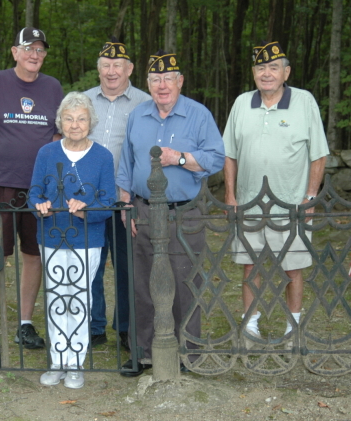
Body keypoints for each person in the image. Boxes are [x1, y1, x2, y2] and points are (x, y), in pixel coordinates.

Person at [116, 51, 225, 376]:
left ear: (179, 81)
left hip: (184, 212)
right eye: (155, 80)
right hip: (144, 210)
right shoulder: (138, 115)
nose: (162, 85)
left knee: (184, 282)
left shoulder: (198, 114)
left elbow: (216, 159)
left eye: (168, 79)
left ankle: (187, 352)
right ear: (147, 84)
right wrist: (125, 206)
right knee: (142, 283)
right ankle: (144, 352)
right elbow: (125, 165)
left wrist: (179, 158)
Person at [222, 41, 328, 349]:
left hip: (291, 205)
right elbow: (230, 154)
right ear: (253, 73)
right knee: (249, 265)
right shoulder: (242, 103)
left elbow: (318, 154)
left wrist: (310, 197)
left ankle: (292, 326)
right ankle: (251, 325)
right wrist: (231, 195)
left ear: (286, 72)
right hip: (250, 204)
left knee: (292, 265)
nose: (266, 74)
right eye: (260, 68)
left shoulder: (304, 101)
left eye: (273, 67)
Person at [0, 27, 63, 349]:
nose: (34, 55)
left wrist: (54, 181)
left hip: (39, 189)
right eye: (28, 48)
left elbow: (56, 137)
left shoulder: (53, 88)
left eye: (40, 50)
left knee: (33, 255)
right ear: (15, 52)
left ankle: (24, 324)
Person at [29, 92, 116, 388]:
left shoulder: (103, 156)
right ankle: (57, 360)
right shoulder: (47, 153)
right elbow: (34, 193)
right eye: (69, 119)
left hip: (86, 239)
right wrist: (39, 206)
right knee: (55, 297)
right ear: (60, 122)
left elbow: (108, 201)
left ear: (90, 122)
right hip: (51, 236)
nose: (75, 125)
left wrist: (85, 211)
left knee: (79, 297)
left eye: (81, 119)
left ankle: (76, 361)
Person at [84, 37, 151, 349]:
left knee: (127, 266)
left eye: (117, 66)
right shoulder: (81, 101)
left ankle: (126, 326)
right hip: (88, 197)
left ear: (130, 69)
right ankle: (93, 326)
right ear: (99, 70)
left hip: (127, 197)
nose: (112, 72)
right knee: (90, 264)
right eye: (106, 66)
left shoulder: (145, 103)